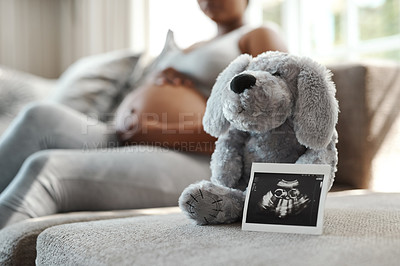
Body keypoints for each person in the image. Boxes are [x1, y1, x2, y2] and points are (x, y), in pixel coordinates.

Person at [0, 0, 287, 229]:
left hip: (204, 157)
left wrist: (159, 130)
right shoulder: (195, 46)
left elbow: (271, 119)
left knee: (47, 168)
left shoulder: (259, 33)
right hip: (131, 135)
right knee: (38, 117)